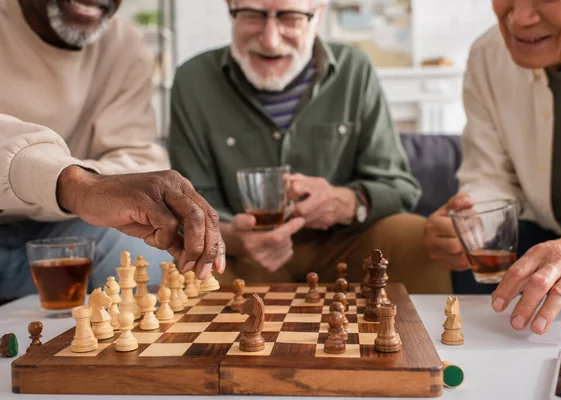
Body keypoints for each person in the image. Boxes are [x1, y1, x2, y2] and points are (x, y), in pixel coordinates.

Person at [167, 0, 452, 294]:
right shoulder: (192, 80)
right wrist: (234, 238)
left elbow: (400, 187)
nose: (269, 39)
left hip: (345, 246)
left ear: (318, 15)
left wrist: (345, 203)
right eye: (252, 15)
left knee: (416, 237)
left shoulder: (355, 69)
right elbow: (191, 205)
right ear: (231, 8)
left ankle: (425, 340)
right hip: (241, 256)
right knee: (193, 273)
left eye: (290, 17)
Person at [0, 0, 223, 302]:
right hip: (60, 225)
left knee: (141, 250)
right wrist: (75, 186)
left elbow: (137, 160)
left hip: (67, 234)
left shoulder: (124, 44)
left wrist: (80, 190)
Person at [423, 0, 561, 334]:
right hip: (545, 239)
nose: (519, 18)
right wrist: (471, 226)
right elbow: (489, 174)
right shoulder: (487, 55)